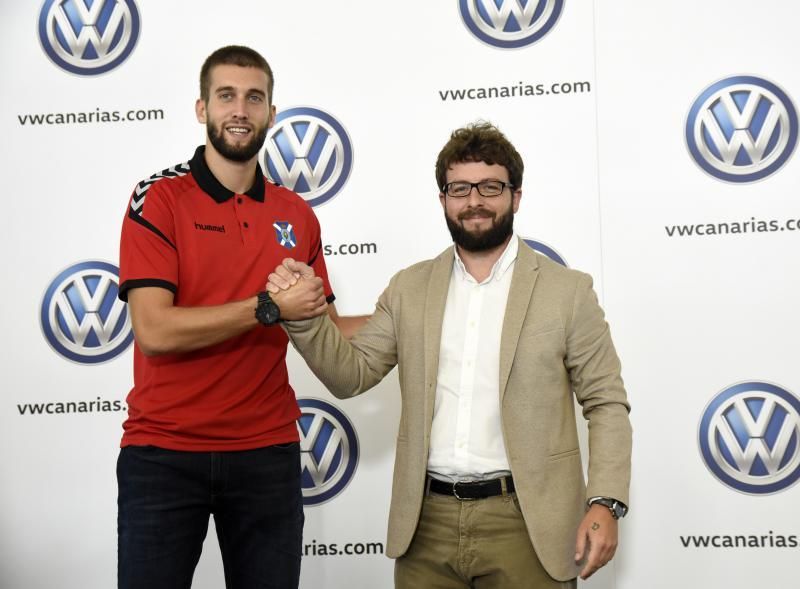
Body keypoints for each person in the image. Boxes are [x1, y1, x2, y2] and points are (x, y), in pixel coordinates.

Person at [267, 122, 633, 588]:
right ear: (443, 199)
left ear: (516, 196)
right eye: (459, 188)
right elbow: (350, 375)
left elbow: (606, 403)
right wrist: (301, 313)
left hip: (528, 523)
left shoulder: (568, 292)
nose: (474, 200)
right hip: (426, 527)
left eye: (490, 187)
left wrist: (605, 501)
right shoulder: (409, 288)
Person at [116, 45, 362, 589]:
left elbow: (330, 332)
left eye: (255, 98)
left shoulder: (296, 214)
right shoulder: (158, 198)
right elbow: (154, 330)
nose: (241, 110)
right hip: (164, 452)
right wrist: (267, 307)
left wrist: (423, 310)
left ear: (273, 113)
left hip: (265, 453)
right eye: (226, 96)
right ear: (202, 108)